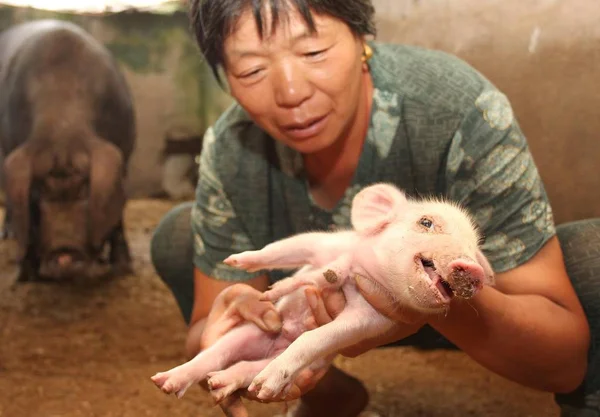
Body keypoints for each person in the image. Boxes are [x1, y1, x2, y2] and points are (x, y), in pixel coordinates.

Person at [150, 0, 600, 416]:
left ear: (362, 38)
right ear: (223, 75)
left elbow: (562, 362)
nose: (290, 91)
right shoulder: (231, 147)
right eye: (250, 71)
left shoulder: (461, 110)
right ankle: (328, 394)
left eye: (315, 53)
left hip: (468, 311)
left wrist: (421, 294)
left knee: (588, 261)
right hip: (311, 314)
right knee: (178, 235)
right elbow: (205, 335)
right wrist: (234, 324)